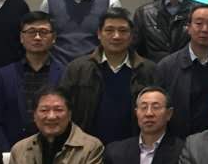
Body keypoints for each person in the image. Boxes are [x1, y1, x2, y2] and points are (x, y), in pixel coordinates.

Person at [59, 9, 158, 146]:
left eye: (123, 31)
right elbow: (64, 110)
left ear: (131, 36)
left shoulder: (148, 70)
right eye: (109, 30)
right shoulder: (77, 69)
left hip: (134, 149)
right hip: (87, 149)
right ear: (99, 34)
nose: (116, 36)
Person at [154, 4, 208, 138]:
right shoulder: (167, 67)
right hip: (179, 141)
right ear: (188, 28)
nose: (205, 29)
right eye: (199, 23)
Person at [0, 11, 65, 152]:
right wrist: (7, 153)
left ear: (53, 38)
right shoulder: (3, 75)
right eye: (31, 32)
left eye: (43, 32)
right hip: (13, 151)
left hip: (57, 151)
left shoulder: (65, 73)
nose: (37, 37)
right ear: (21, 37)